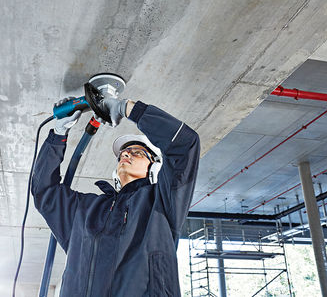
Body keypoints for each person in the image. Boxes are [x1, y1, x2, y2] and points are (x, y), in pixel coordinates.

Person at [31, 96, 200, 297]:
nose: (125, 155)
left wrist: (127, 108)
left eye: (137, 152)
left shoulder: (161, 202)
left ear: (154, 166)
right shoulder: (86, 210)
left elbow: (185, 144)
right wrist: (58, 135)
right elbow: (44, 191)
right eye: (123, 153)